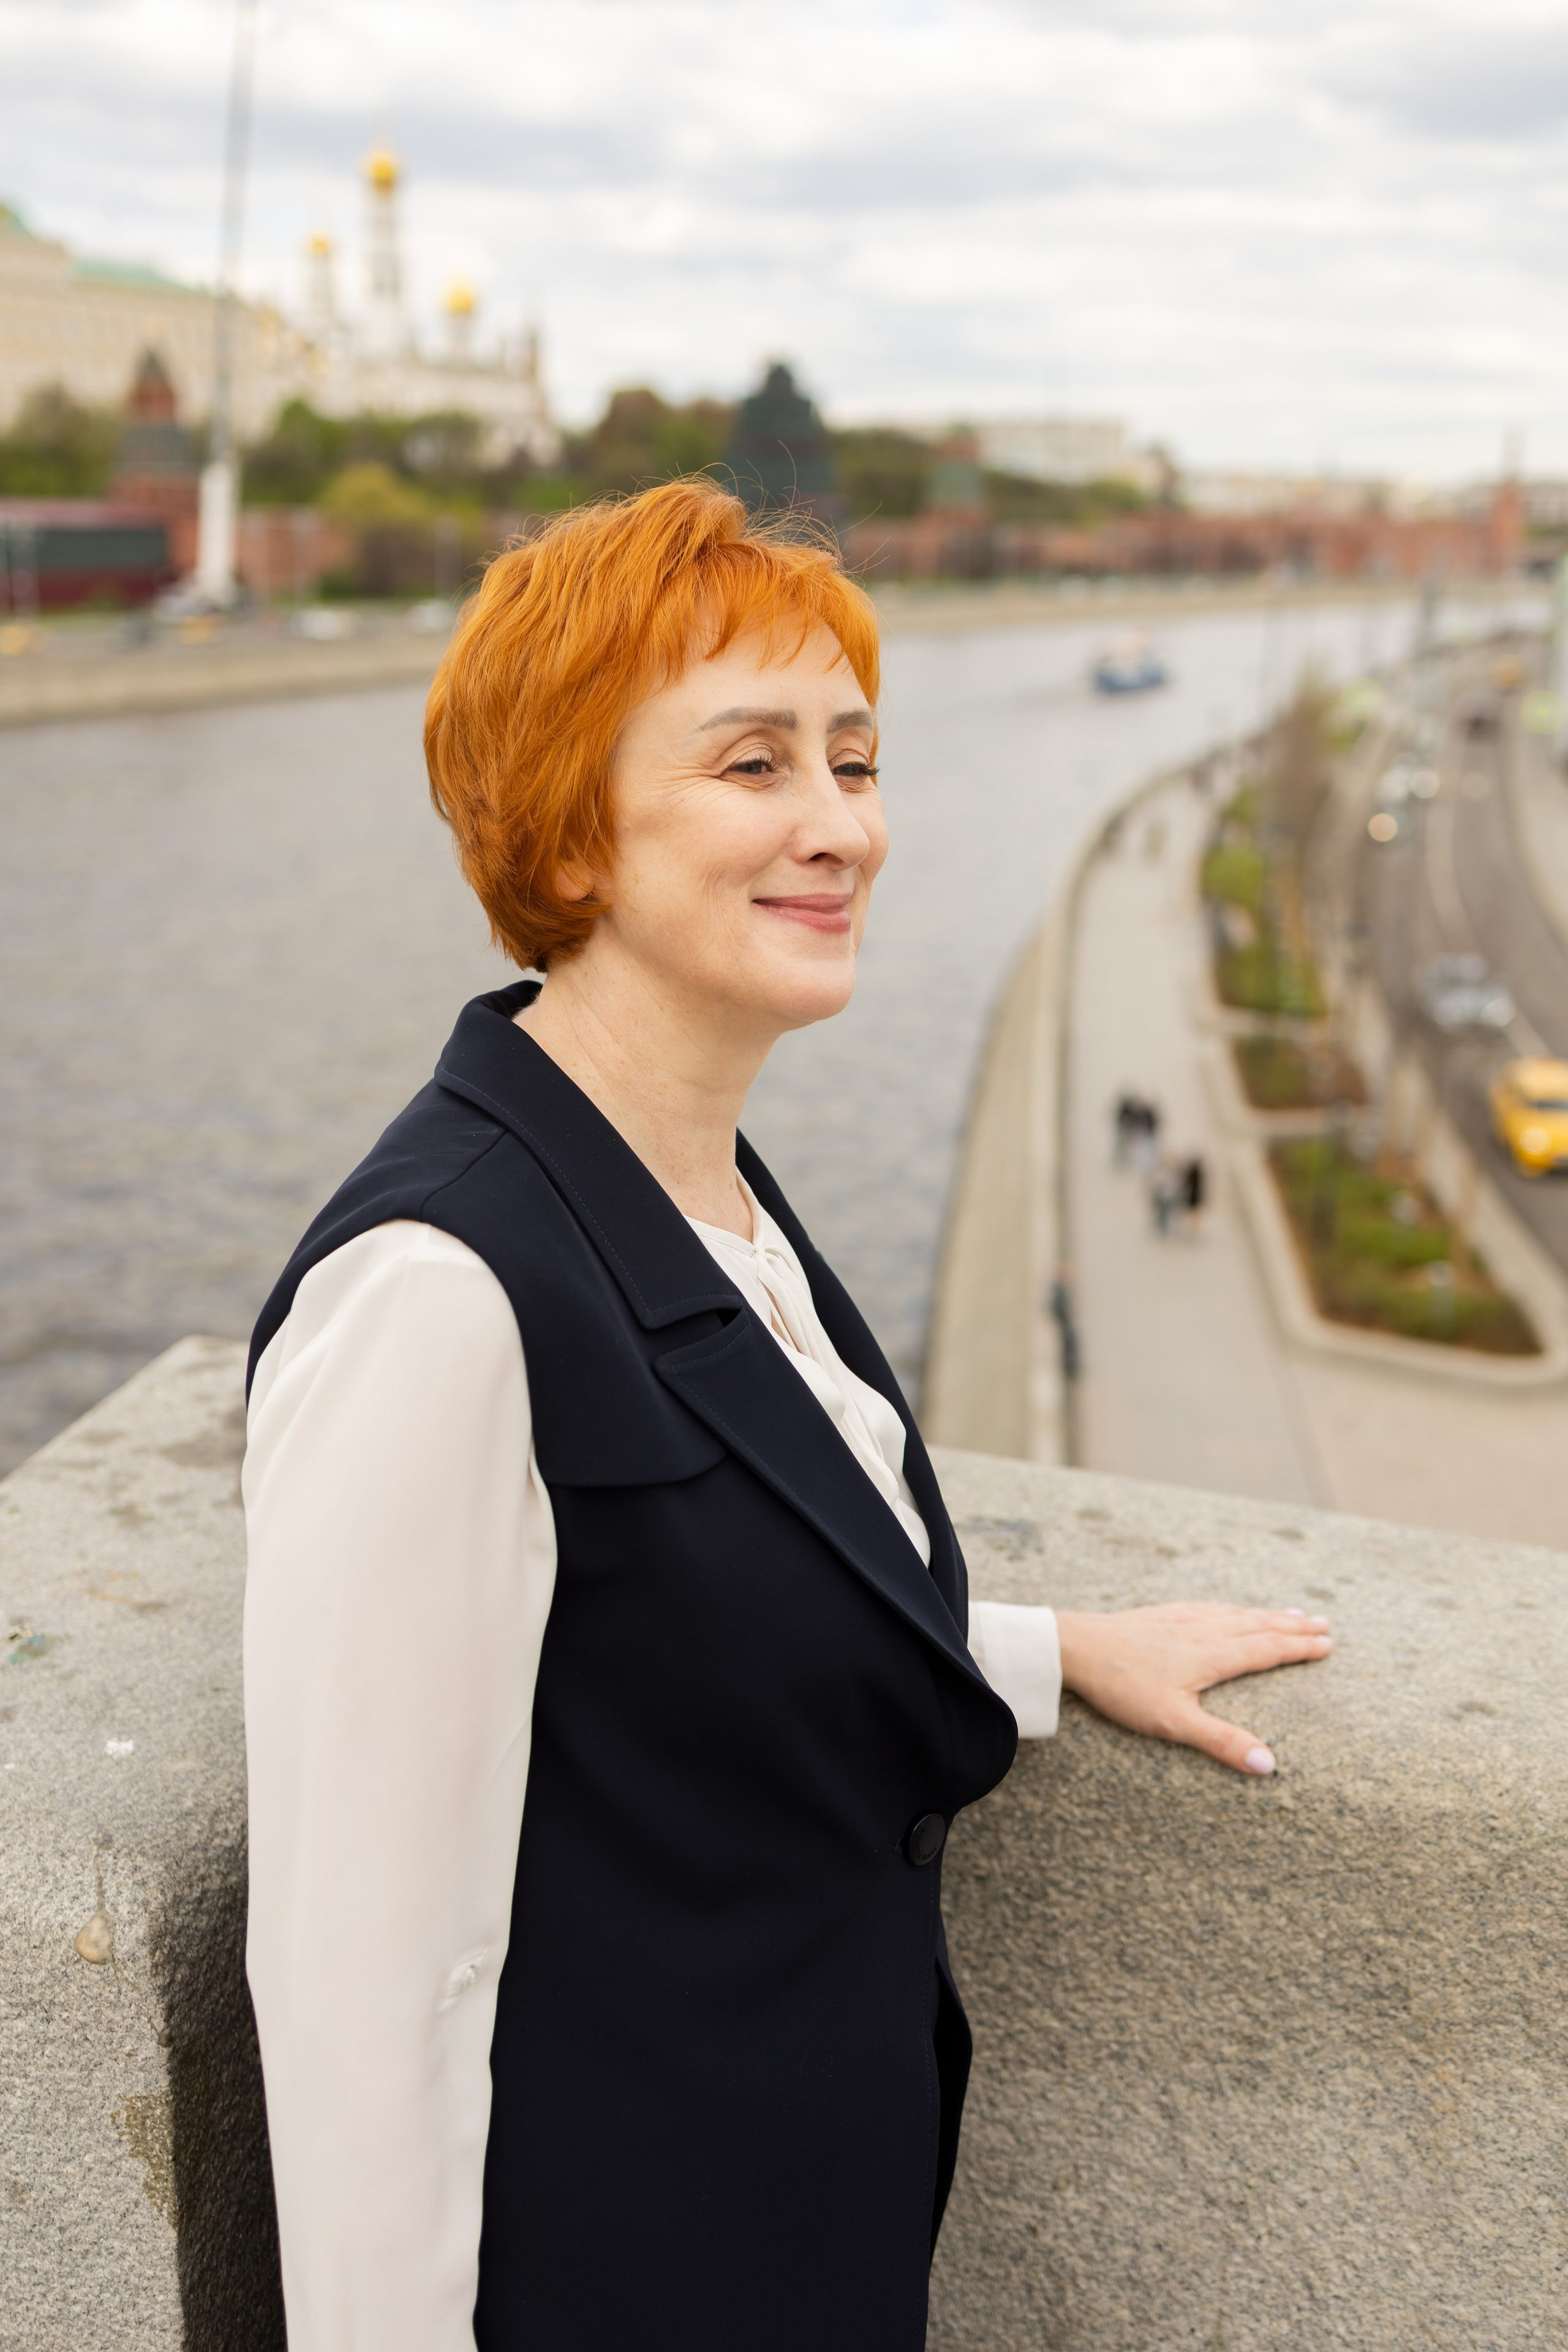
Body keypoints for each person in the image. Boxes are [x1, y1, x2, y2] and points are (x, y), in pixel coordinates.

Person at [241, 480, 1333, 2352]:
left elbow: (672, 1623)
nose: (843, 827)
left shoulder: (695, 1185)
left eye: (855, 759)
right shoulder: (438, 1291)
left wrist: (1038, 1649)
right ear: (572, 834)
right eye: (755, 767)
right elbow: (363, 2001)